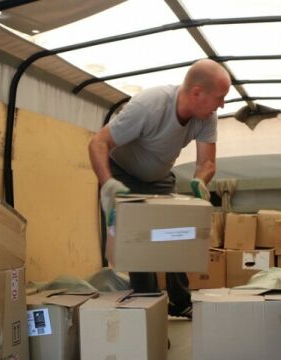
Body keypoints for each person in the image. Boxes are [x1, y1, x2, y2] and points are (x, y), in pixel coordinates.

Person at [88, 59, 231, 318]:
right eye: (220, 97)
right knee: (141, 244)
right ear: (197, 92)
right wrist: (107, 184)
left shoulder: (207, 117)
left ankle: (181, 302)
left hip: (160, 177)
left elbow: (207, 163)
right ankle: (148, 311)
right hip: (124, 176)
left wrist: (200, 180)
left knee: (178, 234)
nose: (222, 104)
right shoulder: (149, 105)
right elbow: (98, 143)